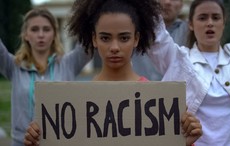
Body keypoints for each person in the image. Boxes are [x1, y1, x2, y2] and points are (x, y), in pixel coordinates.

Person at [24, 0, 202, 146]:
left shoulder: (157, 102)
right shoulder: (77, 101)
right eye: (105, 38)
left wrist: (182, 142)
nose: (114, 47)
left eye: (124, 38)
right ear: (94, 39)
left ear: (136, 39)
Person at [148, 0, 230, 145]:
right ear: (190, 24)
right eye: (202, 17)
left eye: (216, 17)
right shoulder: (178, 61)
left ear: (223, 23)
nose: (209, 23)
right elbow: (155, 31)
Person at [0, 7, 91, 146]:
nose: (41, 34)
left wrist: (91, 7)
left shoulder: (69, 63)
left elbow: (89, 39)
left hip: (61, 143)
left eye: (46, 29)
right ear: (25, 34)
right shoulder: (14, 66)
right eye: (34, 29)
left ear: (54, 33)